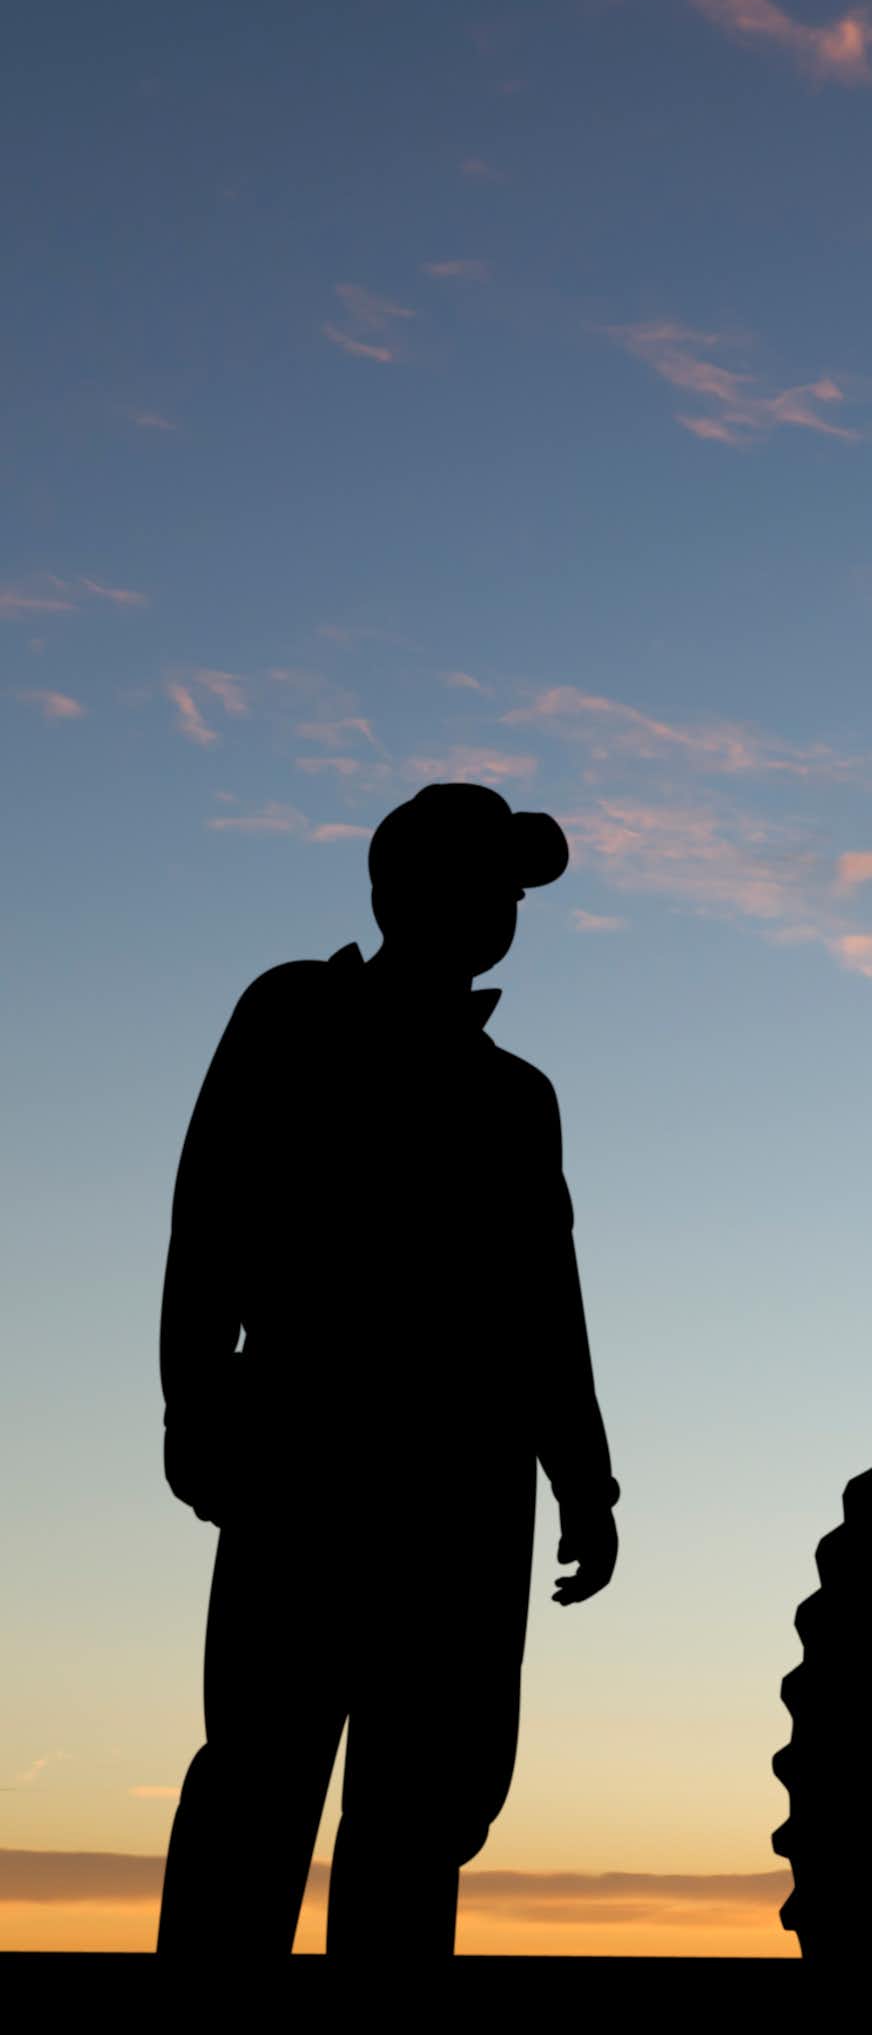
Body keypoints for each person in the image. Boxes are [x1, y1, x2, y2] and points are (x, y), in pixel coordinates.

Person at [155, 782, 622, 1957]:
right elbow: (208, 1215)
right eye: (486, 883)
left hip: (464, 1487)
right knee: (261, 1774)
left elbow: (542, 1306)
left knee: (423, 1807)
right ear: (407, 888)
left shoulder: (517, 1099)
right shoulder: (295, 1014)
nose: (505, 907)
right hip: (307, 1448)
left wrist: (585, 1479)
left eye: (512, 892)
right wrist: (197, 1401)